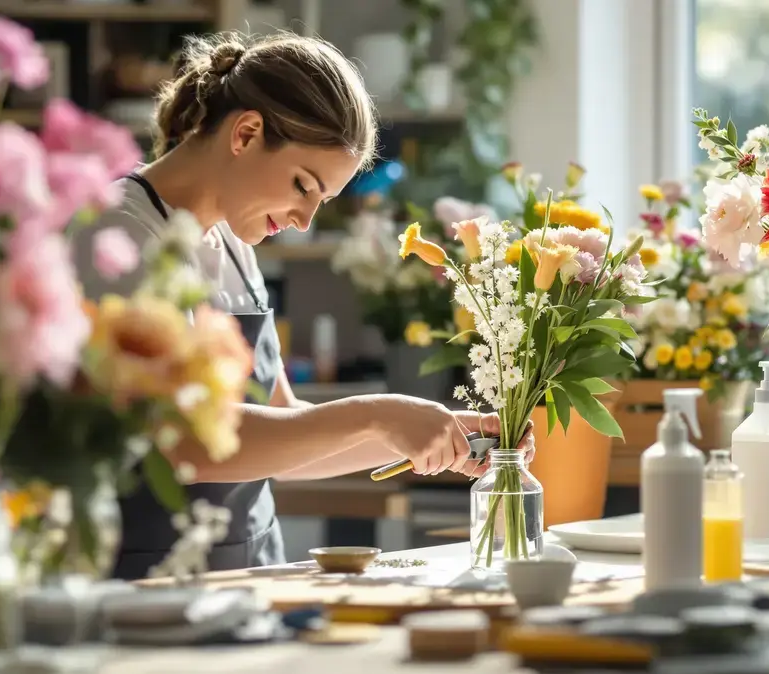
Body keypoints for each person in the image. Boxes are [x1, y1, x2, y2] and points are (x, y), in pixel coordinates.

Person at [71, 31, 532, 580]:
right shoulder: (119, 236)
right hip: (146, 582)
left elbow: (288, 431)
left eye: (322, 201)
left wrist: (429, 431)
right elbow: (188, 443)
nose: (304, 220)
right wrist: (380, 413)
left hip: (245, 573)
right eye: (302, 186)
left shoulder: (234, 245)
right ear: (245, 133)